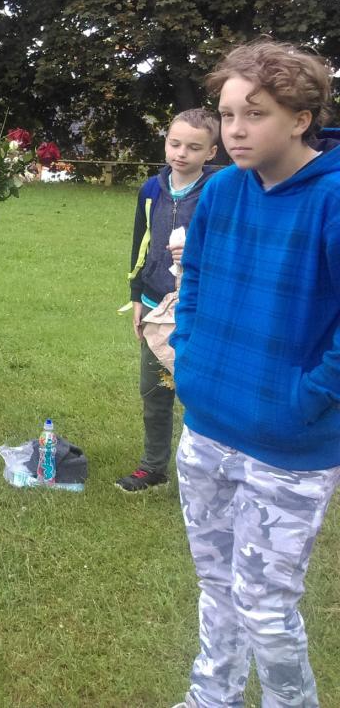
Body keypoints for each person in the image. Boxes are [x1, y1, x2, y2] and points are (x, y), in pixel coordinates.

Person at [170, 40, 340, 708]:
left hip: (289, 447)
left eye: (255, 114)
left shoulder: (332, 199)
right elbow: (194, 278)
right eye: (227, 114)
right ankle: (211, 697)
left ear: (301, 119)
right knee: (217, 589)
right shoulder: (220, 191)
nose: (235, 130)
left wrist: (308, 397)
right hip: (207, 429)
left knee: (265, 608)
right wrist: (189, 355)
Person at [117, 109, 219, 493]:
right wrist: (136, 297)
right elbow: (139, 245)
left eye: (193, 147)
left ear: (211, 152)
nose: (181, 153)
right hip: (155, 305)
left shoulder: (218, 191)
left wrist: (197, 255)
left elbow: (232, 247)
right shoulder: (151, 190)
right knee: (155, 392)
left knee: (202, 395)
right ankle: (153, 467)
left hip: (201, 306)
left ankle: (207, 474)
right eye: (175, 144)